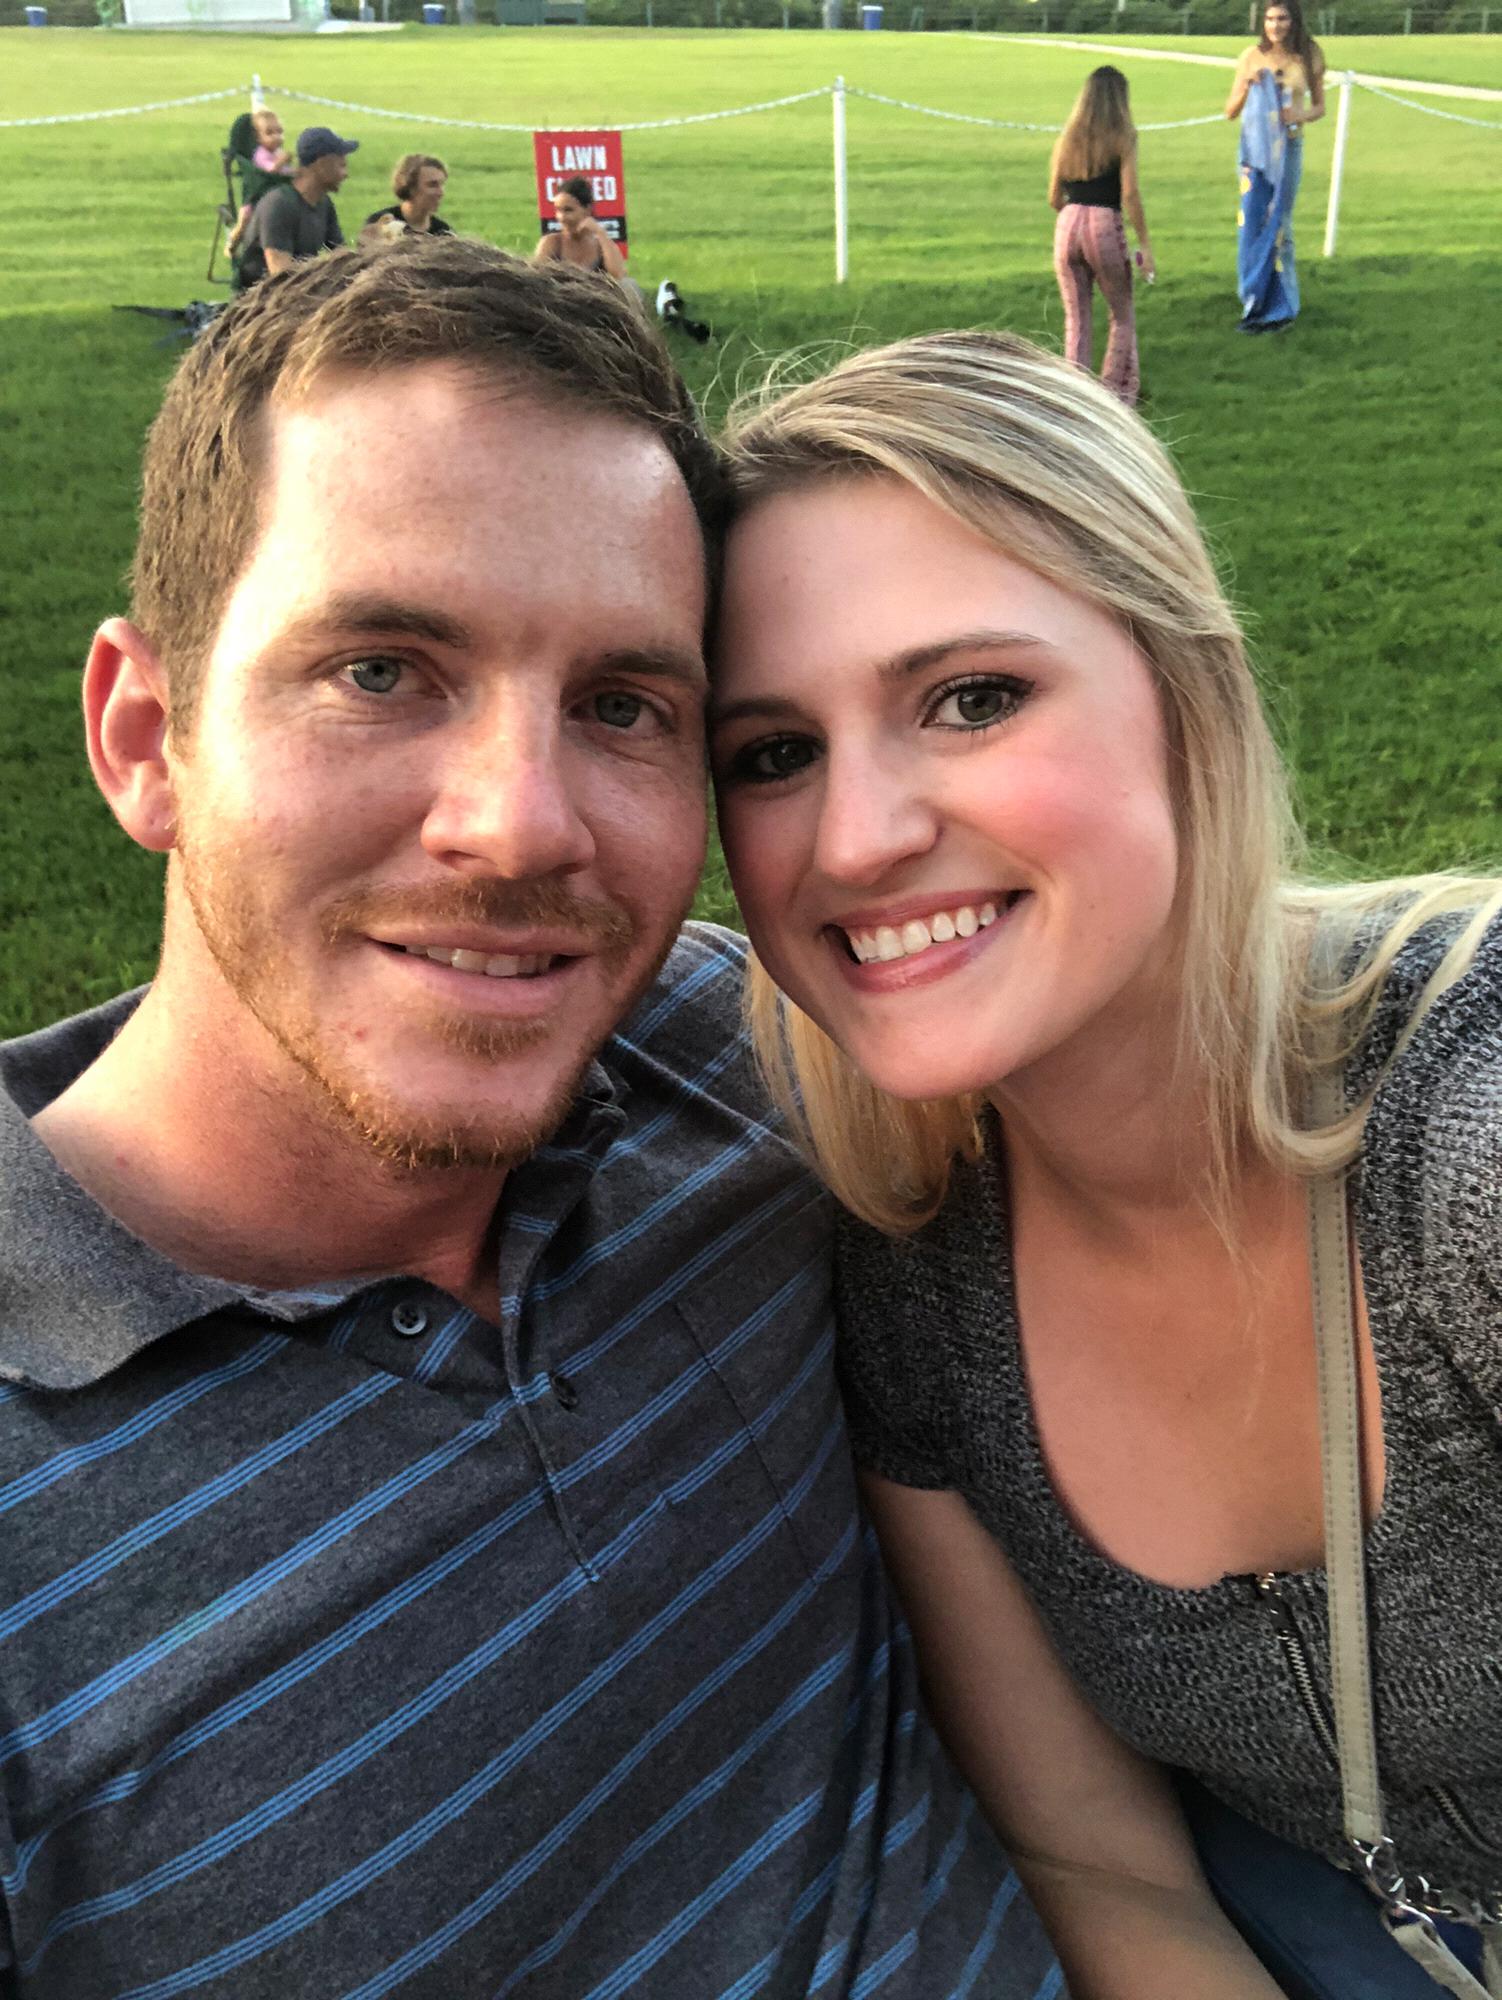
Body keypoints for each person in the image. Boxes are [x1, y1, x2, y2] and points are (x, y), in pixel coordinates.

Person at [0, 246, 1059, 1997]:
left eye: (622, 707)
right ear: (145, 737)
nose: (522, 825)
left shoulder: (736, 1055)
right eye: (380, 671)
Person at [711, 328, 1502, 1999]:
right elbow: (1093, 1855)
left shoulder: (1468, 1145)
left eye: (971, 699)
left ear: (1181, 694)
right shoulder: (911, 1277)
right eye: (771, 754)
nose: (856, 837)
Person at [1047, 66, 1154, 407]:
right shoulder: (1124, 137)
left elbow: (1053, 196)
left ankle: (1074, 395)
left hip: (1068, 222)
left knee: (1076, 317)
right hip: (1104, 222)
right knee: (1121, 314)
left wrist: (1073, 214)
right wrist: (1145, 243)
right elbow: (1130, 194)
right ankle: (1116, 395)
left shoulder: (1068, 138)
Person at [1225, 0, 1326, 331]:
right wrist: (1248, 86)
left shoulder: (1309, 54)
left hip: (1289, 147)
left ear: (1294, 20)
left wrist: (1300, 115)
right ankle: (1253, 296)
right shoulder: (1251, 56)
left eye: (1282, 18)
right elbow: (1230, 110)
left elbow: (1319, 107)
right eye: (1269, 18)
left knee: (1281, 223)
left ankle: (1283, 305)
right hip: (1255, 153)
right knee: (1252, 223)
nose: (1275, 25)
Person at [235, 124, 358, 290]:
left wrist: (370, 246)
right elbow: (282, 279)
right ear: (321, 164)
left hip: (299, 294)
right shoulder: (279, 205)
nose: (346, 174)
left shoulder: (324, 204)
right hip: (263, 301)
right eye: (341, 165)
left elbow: (343, 260)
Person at [225, 105, 295, 259]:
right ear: (258, 138)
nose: (276, 137)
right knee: (245, 220)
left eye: (279, 132)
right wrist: (282, 162)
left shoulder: (278, 152)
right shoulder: (260, 154)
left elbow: (286, 172)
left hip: (274, 193)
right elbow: (270, 171)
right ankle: (233, 241)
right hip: (256, 196)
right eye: (269, 133)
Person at [532, 174, 627, 278]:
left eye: (568, 210)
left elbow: (617, 275)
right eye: (558, 210)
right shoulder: (552, 243)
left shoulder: (600, 247)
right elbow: (536, 278)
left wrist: (601, 233)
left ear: (587, 210)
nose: (561, 217)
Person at [365, 152, 454, 239]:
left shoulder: (444, 232)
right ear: (410, 187)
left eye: (442, 184)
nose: (441, 192)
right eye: (432, 185)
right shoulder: (380, 224)